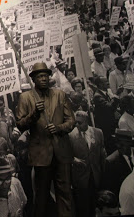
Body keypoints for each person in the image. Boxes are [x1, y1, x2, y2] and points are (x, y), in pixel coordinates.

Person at [15, 62, 75, 217]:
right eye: (39, 76)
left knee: (65, 193)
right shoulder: (25, 97)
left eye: (46, 76)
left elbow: (71, 121)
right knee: (41, 196)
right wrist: (34, 114)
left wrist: (59, 128)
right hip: (40, 155)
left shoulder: (60, 94)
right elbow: (20, 124)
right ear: (33, 79)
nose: (43, 79)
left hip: (61, 152)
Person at [68, 111, 107, 217]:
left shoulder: (98, 133)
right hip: (81, 179)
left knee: (98, 205)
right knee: (84, 208)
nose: (77, 125)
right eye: (75, 122)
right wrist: (74, 159)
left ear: (87, 122)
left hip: (96, 176)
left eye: (80, 123)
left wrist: (103, 171)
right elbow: (66, 155)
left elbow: (102, 154)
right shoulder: (71, 136)